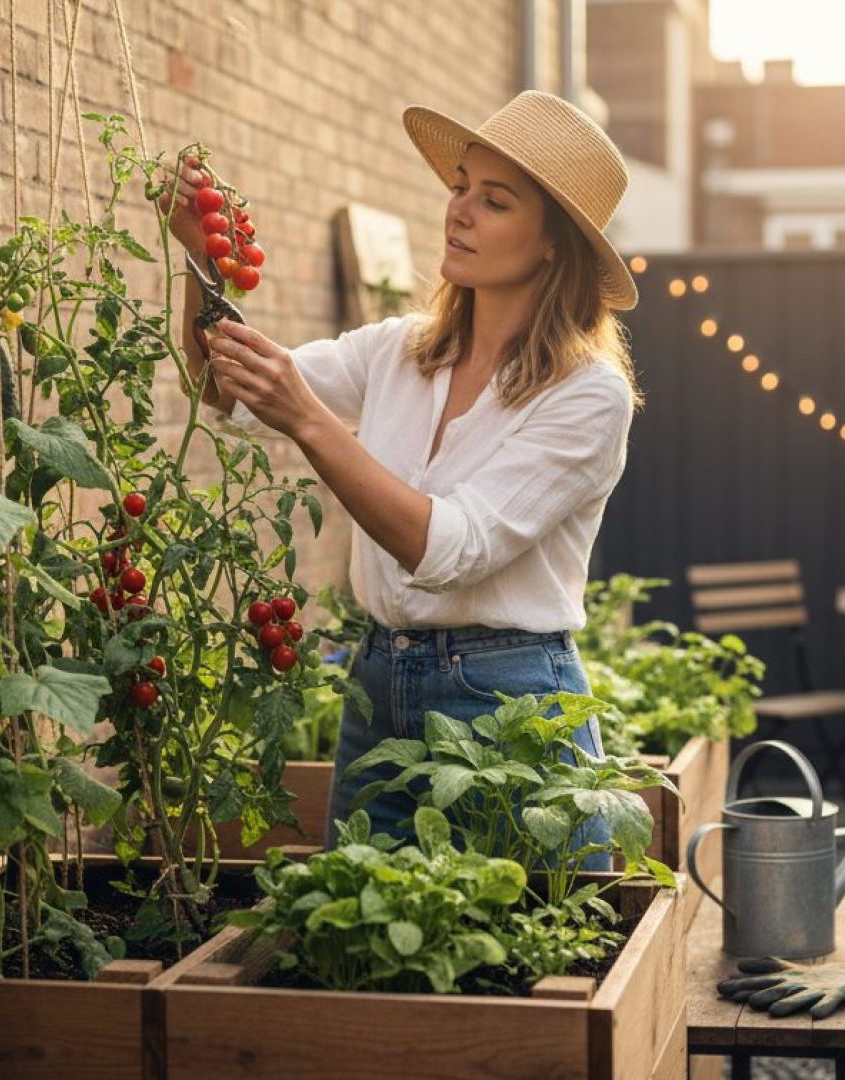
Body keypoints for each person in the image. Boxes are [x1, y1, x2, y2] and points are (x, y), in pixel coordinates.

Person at [161, 91, 642, 863]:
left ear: (553, 244)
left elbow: (452, 547)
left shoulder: (586, 394)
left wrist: (311, 421)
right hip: (381, 683)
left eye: (495, 200)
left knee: (524, 956)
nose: (460, 212)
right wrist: (198, 255)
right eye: (459, 187)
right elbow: (227, 393)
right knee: (363, 947)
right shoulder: (402, 350)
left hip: (507, 699)